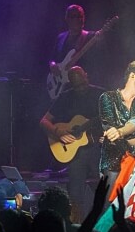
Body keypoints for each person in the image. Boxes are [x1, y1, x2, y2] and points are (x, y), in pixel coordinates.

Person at [39, 65, 105, 220]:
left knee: (104, 190)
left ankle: (103, 226)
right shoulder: (65, 97)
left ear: (86, 76)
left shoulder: (101, 95)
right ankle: (76, 226)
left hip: (98, 148)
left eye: (82, 84)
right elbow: (44, 121)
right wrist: (58, 132)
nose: (81, 88)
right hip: (75, 153)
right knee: (75, 196)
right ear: (70, 83)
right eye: (76, 86)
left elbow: (113, 117)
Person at [98, 60, 135, 194]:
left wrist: (120, 132)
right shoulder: (108, 97)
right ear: (132, 76)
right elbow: (110, 132)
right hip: (113, 164)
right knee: (110, 205)